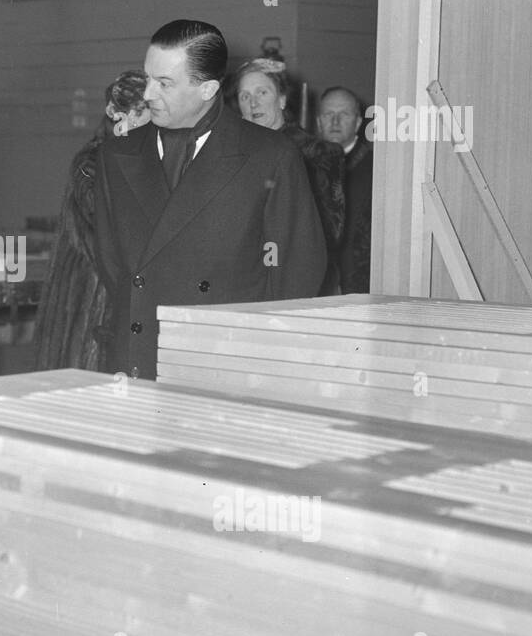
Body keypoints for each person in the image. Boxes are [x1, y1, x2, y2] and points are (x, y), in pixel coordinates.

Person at [93, 19, 325, 379]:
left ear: (208, 89)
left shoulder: (270, 155)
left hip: (226, 362)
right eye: (148, 77)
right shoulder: (116, 154)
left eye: (164, 83)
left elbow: (296, 271)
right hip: (141, 354)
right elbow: (111, 263)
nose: (148, 93)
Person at [34, 70, 149, 371]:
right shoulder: (91, 164)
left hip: (109, 298)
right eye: (144, 115)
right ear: (123, 118)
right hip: (90, 300)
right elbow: (112, 227)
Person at [235, 57, 346, 295]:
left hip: (297, 287)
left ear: (282, 99)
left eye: (262, 93)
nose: (253, 103)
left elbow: (325, 235)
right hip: (246, 286)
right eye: (245, 96)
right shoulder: (233, 157)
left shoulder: (315, 154)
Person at [317, 86, 373, 294]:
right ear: (318, 121)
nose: (335, 122)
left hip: (359, 285)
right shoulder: (302, 163)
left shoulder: (376, 168)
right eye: (328, 114)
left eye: (344, 114)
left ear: (358, 123)